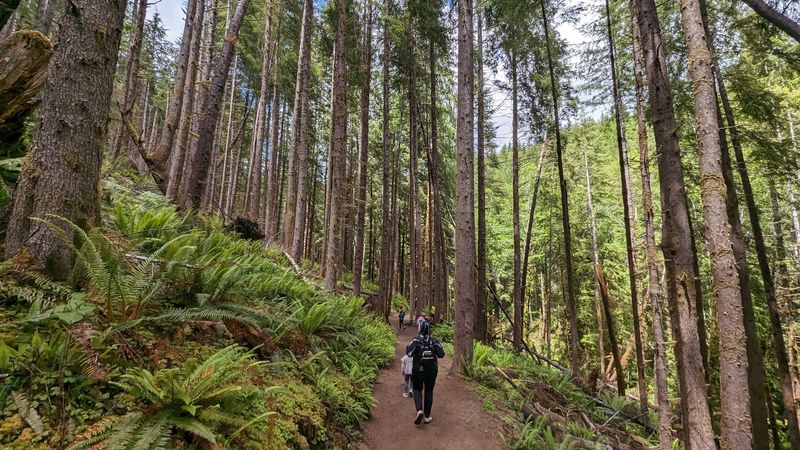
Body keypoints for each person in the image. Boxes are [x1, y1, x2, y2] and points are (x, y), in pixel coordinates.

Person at [405, 321, 445, 425]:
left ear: (420, 329)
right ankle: (427, 417)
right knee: (429, 391)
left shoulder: (416, 340)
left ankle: (419, 411)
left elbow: (409, 352)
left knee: (417, 389)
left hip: (418, 369)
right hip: (431, 370)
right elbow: (441, 354)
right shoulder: (434, 341)